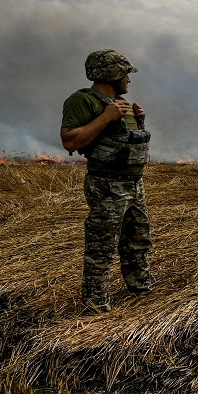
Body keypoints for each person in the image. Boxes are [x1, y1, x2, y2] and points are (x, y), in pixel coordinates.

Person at [60, 50, 154, 314]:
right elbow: (70, 141)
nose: (128, 80)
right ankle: (95, 304)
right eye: (125, 74)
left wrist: (136, 120)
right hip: (107, 185)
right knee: (102, 247)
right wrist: (107, 117)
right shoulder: (83, 101)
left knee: (138, 240)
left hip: (134, 184)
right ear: (110, 74)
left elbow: (123, 141)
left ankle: (141, 289)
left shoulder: (121, 105)